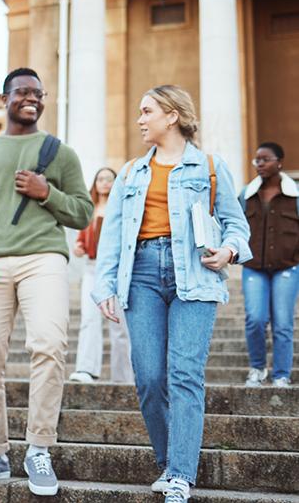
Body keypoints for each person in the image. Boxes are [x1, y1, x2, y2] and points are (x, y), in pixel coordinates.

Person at [93, 85, 251, 503]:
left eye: (147, 111)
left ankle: (180, 472)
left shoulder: (211, 167)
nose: (140, 119)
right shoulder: (130, 172)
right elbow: (112, 236)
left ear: (172, 115)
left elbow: (236, 223)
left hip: (195, 274)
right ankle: (169, 460)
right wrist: (105, 286)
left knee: (184, 374)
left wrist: (230, 250)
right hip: (141, 272)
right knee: (148, 377)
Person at [0, 67, 93, 496]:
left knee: (49, 344)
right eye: (22, 92)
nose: (31, 98)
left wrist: (46, 192)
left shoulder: (59, 153)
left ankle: (39, 447)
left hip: (43, 258)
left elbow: (83, 213)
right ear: (4, 98)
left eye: (38, 93)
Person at [239, 142, 299, 388]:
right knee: (255, 318)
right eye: (257, 160)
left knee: (283, 322)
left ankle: (281, 374)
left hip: (287, 267)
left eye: (265, 159)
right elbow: (235, 225)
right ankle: (257, 368)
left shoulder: (294, 195)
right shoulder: (246, 195)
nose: (260, 164)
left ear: (279, 162)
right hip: (254, 267)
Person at [69, 167, 134, 384]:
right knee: (89, 318)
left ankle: (124, 376)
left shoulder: (122, 208)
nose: (104, 183)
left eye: (109, 179)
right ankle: (86, 369)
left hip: (116, 270)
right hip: (91, 267)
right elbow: (81, 238)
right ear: (95, 183)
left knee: (119, 325)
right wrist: (79, 246)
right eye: (100, 179)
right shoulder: (89, 209)